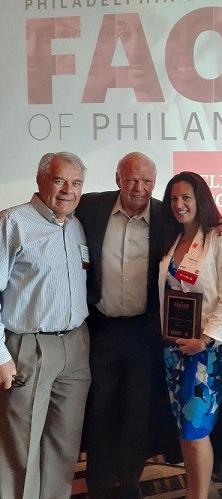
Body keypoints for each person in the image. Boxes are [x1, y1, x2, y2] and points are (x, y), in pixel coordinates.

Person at [76, 153, 222, 499]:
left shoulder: (170, 217)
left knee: (141, 409)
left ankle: (133, 479)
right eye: (132, 180)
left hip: (154, 334)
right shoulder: (91, 207)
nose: (139, 188)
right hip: (106, 328)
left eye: (147, 182)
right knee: (102, 405)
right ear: (119, 178)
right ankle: (101, 483)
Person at [0, 151, 91, 499]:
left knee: (64, 444)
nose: (68, 189)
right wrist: (1, 355)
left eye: (77, 182)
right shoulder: (13, 223)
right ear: (40, 181)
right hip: (29, 347)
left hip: (75, 346)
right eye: (59, 180)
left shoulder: (76, 226)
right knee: (21, 448)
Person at [158, 171, 222, 499]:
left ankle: (199, 496)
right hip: (175, 347)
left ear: (200, 199)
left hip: (208, 349)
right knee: (184, 425)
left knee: (195, 427)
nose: (179, 204)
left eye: (186, 198)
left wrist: (204, 340)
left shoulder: (220, 239)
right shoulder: (172, 239)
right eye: (174, 199)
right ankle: (195, 490)